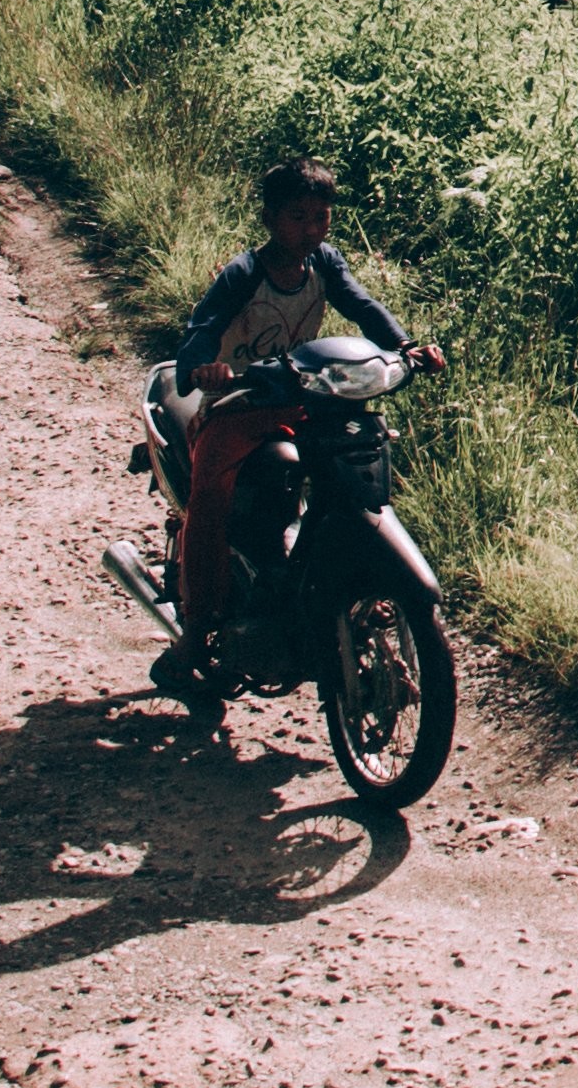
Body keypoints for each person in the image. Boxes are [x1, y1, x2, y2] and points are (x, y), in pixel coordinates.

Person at [159, 160, 436, 692]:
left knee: (350, 471)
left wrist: (404, 347)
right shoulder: (244, 274)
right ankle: (195, 630)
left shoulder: (324, 264)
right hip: (236, 405)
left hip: (302, 399)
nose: (311, 229)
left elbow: (362, 305)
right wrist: (200, 367)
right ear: (269, 219)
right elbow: (205, 325)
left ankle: (336, 579)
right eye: (297, 217)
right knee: (209, 504)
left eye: (321, 217)